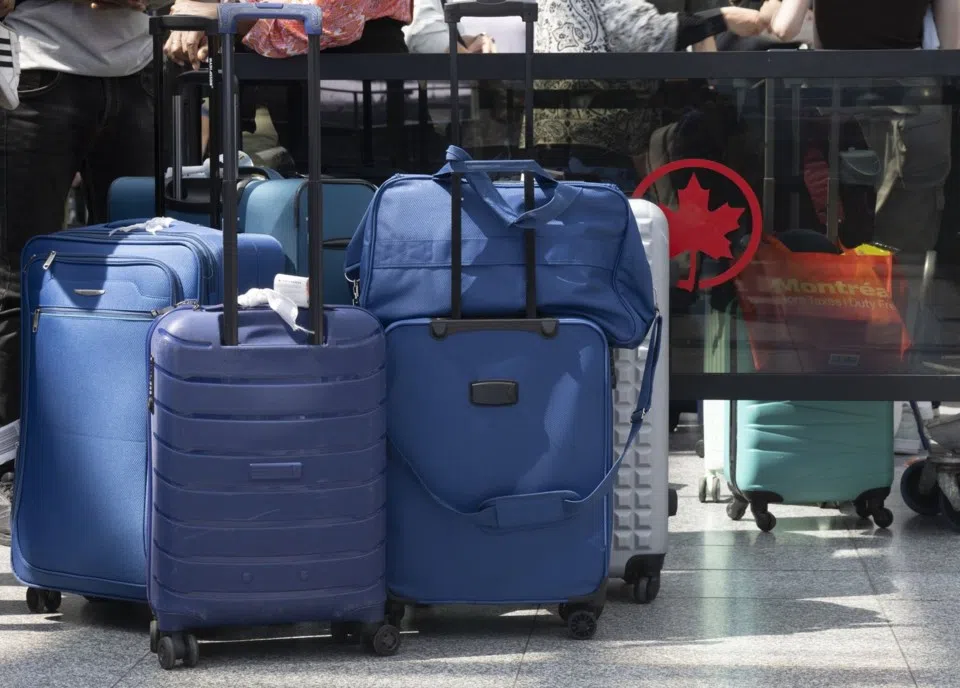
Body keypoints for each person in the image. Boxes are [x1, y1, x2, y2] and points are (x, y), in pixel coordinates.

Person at [0, 0, 154, 547]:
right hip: (36, 68)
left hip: (135, 70)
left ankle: (123, 467)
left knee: (142, 281)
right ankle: (12, 472)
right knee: (18, 281)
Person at [532, 0, 767, 188]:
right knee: (608, 219)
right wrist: (723, 18)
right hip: (598, 139)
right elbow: (647, 34)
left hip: (554, 134)